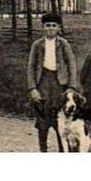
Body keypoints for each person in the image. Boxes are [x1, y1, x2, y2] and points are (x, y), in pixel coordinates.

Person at [26, 12, 78, 151]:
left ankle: (63, 149)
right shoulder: (37, 45)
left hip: (59, 82)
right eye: (47, 26)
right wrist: (32, 88)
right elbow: (31, 66)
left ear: (59, 28)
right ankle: (43, 148)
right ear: (43, 27)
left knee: (59, 119)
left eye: (53, 26)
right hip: (42, 81)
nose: (50, 29)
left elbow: (71, 64)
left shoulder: (63, 44)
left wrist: (71, 86)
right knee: (42, 117)